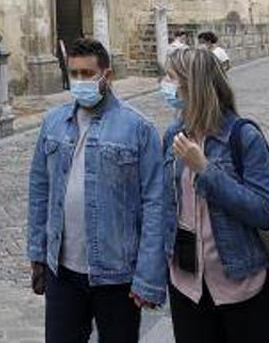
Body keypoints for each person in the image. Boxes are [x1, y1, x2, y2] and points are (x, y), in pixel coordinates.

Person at [26, 38, 166, 342]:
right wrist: (38, 252)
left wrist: (148, 275)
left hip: (117, 275)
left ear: (107, 76)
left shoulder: (139, 128)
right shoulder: (53, 123)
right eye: (74, 74)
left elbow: (156, 204)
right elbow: (40, 188)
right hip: (62, 271)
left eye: (87, 74)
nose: (79, 81)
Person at [159, 46, 269, 341]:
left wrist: (205, 170)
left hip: (243, 285)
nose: (164, 85)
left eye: (170, 78)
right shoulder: (173, 135)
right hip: (188, 288)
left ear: (193, 86)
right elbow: (167, 206)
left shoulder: (244, 136)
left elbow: (265, 211)